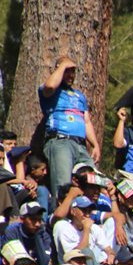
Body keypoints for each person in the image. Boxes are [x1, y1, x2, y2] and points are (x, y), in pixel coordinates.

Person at [40, 55, 101, 196]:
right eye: (67, 71)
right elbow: (49, 86)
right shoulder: (49, 89)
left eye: (73, 71)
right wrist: (63, 65)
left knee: (93, 181)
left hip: (80, 145)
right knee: (63, 184)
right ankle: (60, 216)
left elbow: (86, 121)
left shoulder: (79, 96)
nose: (71, 75)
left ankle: (85, 212)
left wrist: (95, 144)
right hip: (60, 141)